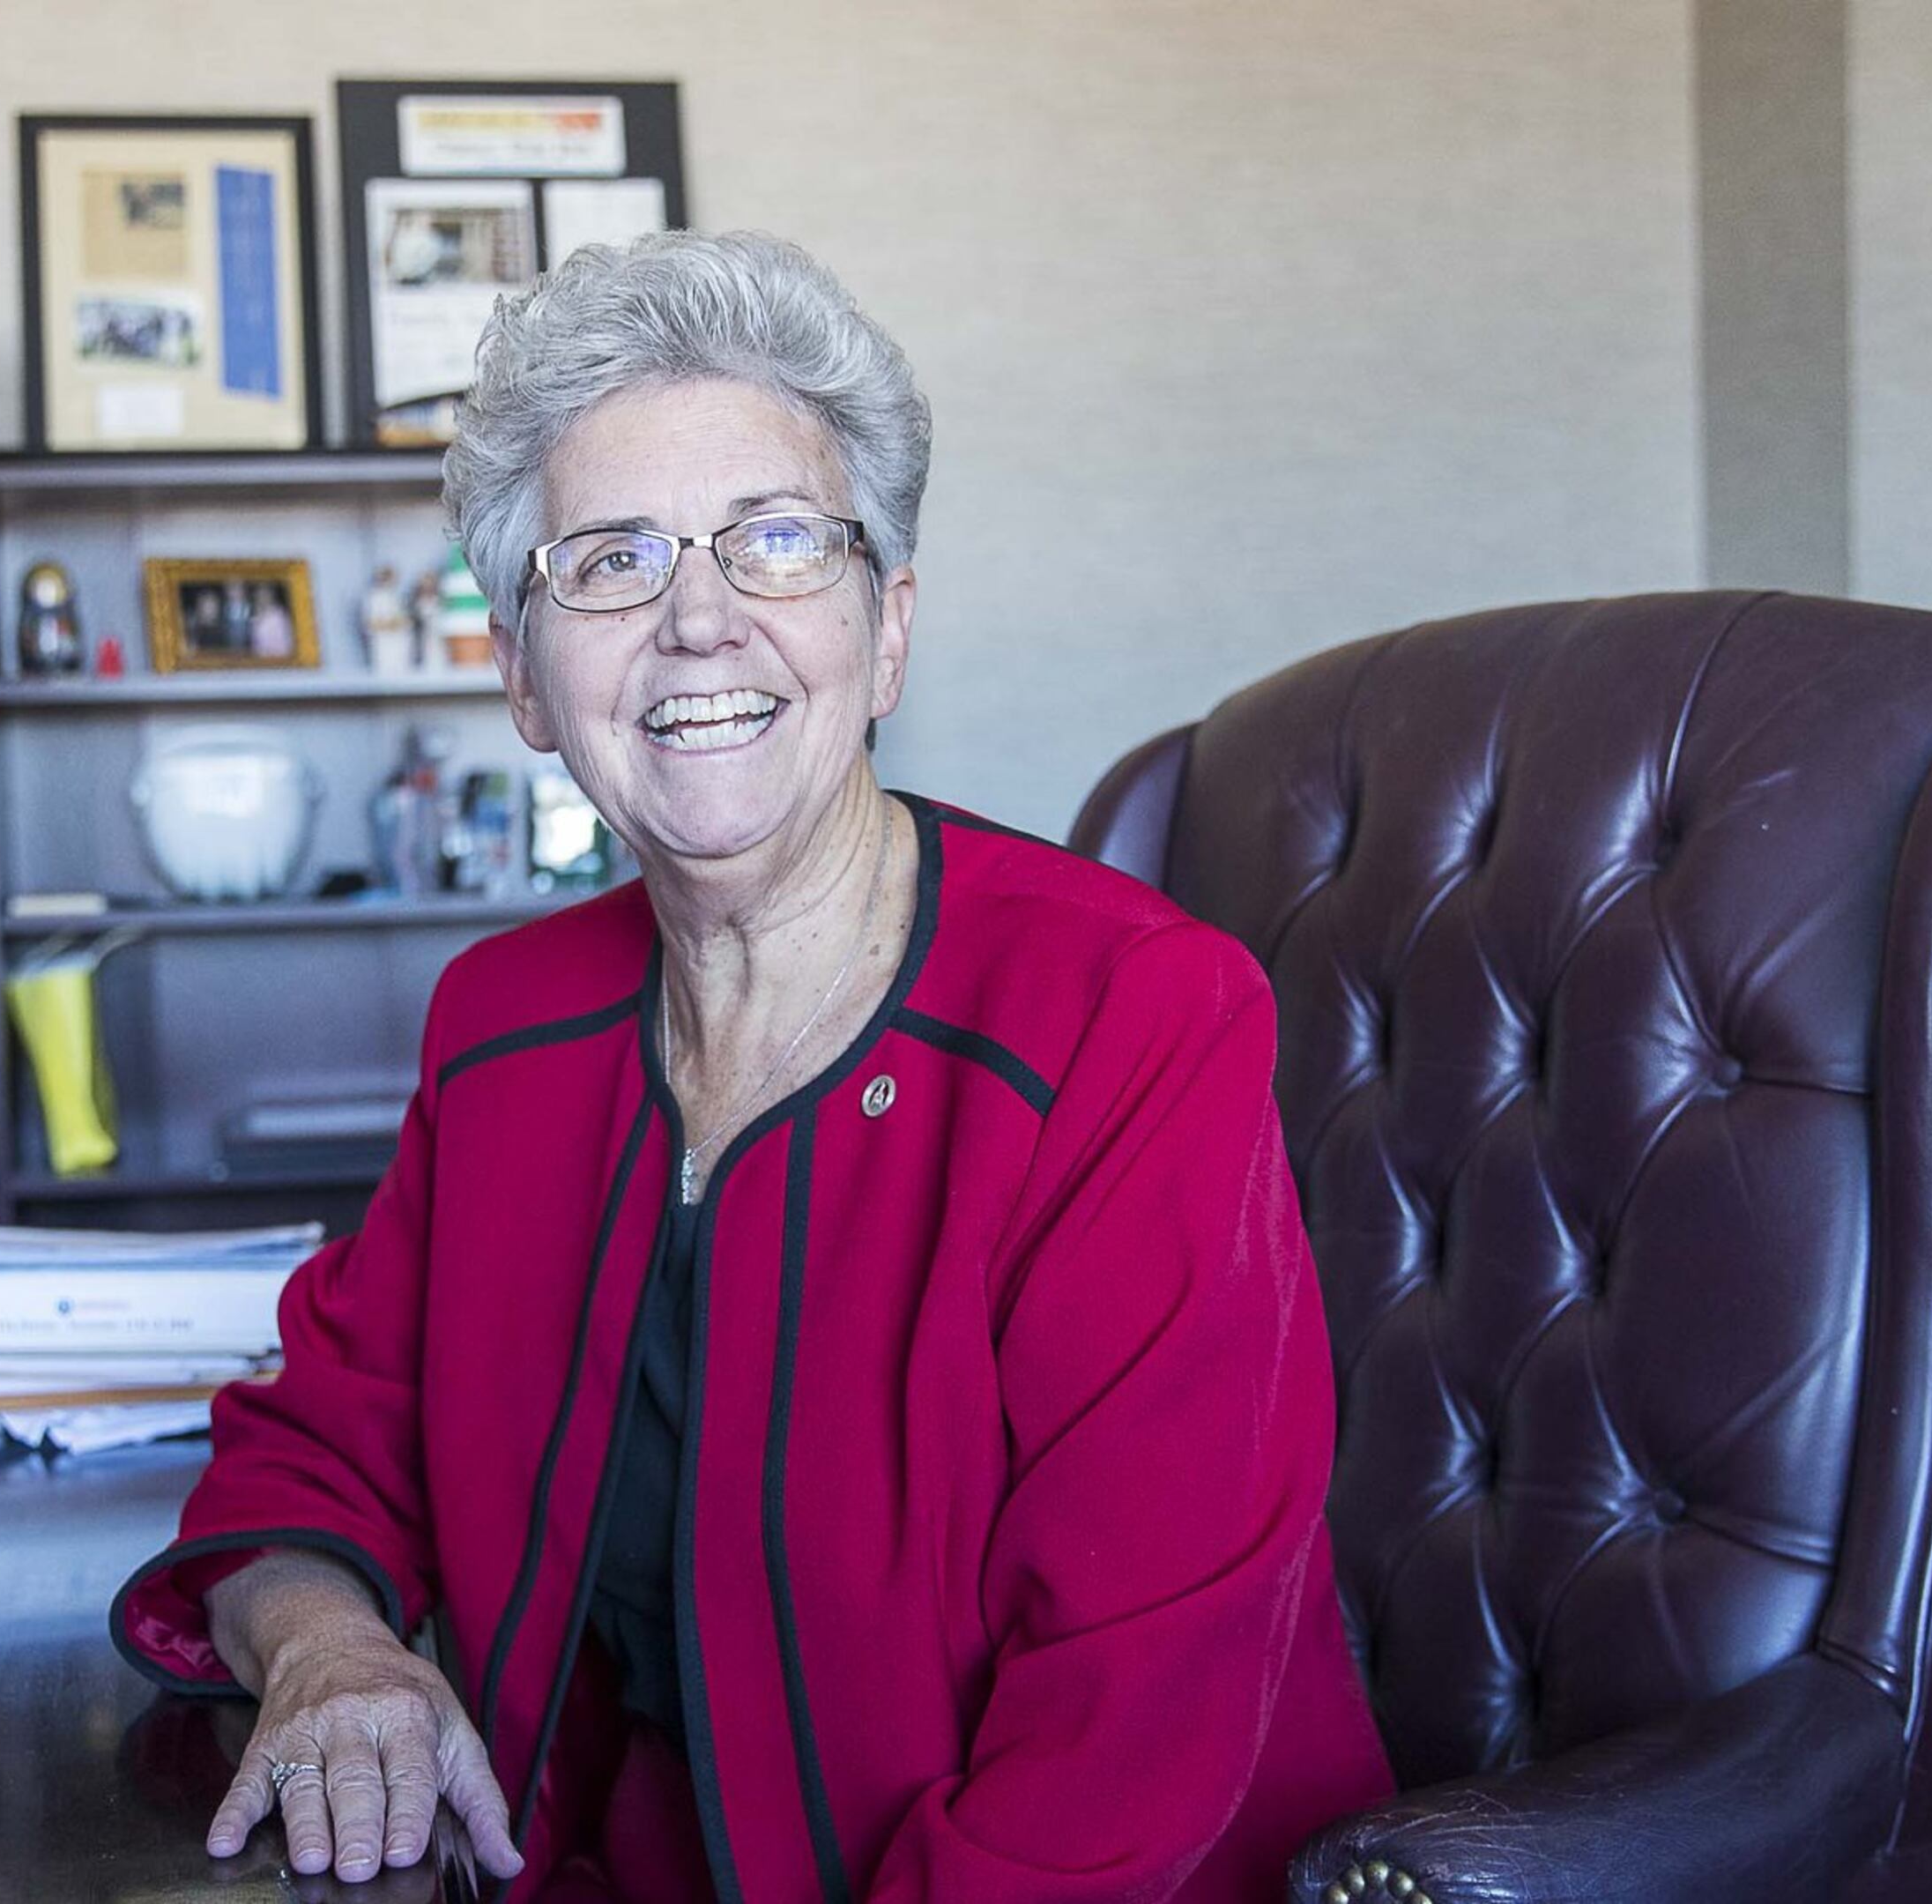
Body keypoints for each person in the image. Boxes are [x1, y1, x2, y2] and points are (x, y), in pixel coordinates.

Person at [110, 230, 1395, 1901]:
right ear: (523, 675)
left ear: (886, 631)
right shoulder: (507, 1032)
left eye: (777, 541)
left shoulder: (1130, 1020)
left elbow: (1135, 1732)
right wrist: (328, 1648)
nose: (700, 621)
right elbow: (315, 1448)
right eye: (612, 562)